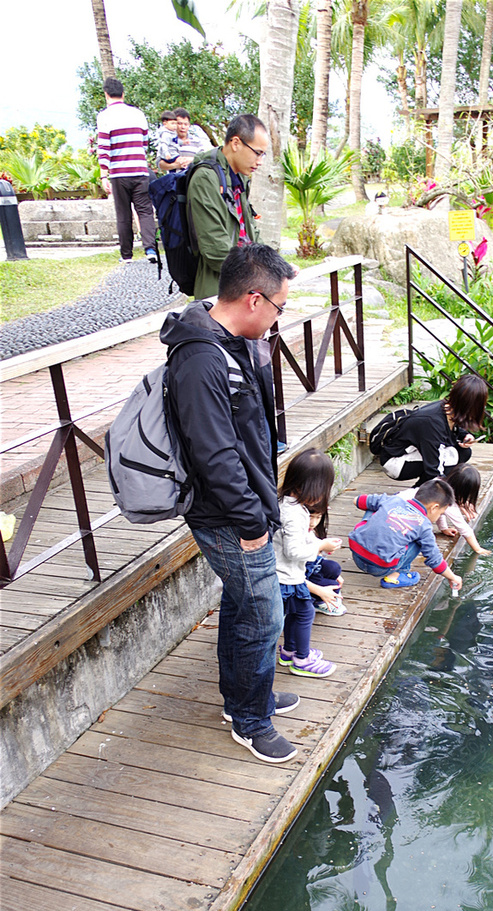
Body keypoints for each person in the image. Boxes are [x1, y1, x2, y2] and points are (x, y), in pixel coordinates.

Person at [161, 241, 298, 764]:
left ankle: (246, 697)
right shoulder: (200, 358)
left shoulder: (230, 341)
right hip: (227, 515)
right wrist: (251, 522)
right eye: (280, 307)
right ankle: (250, 721)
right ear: (254, 299)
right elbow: (214, 454)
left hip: (245, 506)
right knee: (263, 613)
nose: (280, 318)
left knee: (245, 606)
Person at [274, 448, 340, 678]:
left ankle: (290, 651)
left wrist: (319, 542)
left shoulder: (287, 503)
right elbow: (294, 551)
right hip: (286, 577)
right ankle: (301, 659)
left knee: (295, 614)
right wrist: (320, 547)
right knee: (304, 614)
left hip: (285, 575)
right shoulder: (294, 514)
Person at [187, 113, 267, 300]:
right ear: (236, 143)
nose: (260, 161)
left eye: (263, 154)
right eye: (257, 153)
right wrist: (261, 272)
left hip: (246, 285)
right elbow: (215, 248)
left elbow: (250, 234)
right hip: (220, 291)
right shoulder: (206, 178)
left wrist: (274, 265)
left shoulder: (239, 178)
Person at [349, 477, 463, 592]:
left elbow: (357, 500)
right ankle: (397, 575)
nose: (439, 516)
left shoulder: (393, 500)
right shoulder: (424, 525)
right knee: (419, 541)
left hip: (356, 553)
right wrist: (453, 577)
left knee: (373, 506)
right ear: (434, 508)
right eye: (441, 513)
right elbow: (435, 559)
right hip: (380, 567)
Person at [378, 375, 488, 484]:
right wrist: (446, 492)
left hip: (413, 452)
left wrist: (464, 436)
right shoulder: (432, 423)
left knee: (463, 452)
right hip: (396, 461)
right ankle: (419, 494)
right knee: (451, 457)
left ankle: (422, 490)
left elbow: (453, 427)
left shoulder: (446, 408)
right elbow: (434, 470)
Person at [96, 77, 157, 264]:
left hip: (118, 173)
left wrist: (103, 174)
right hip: (139, 169)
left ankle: (127, 255)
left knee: (123, 213)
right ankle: (150, 249)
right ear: (123, 94)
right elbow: (145, 142)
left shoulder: (104, 116)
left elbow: (104, 147)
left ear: (106, 95)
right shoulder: (138, 114)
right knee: (145, 211)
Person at [400, 463, 491, 556]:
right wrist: (478, 549)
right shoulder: (450, 503)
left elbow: (440, 511)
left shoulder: (438, 482)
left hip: (398, 500)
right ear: (465, 491)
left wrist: (443, 528)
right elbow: (465, 529)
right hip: (402, 515)